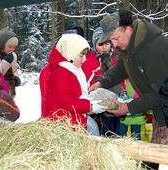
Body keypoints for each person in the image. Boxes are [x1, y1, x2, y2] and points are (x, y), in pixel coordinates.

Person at [89, 9, 168, 144]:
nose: (114, 45)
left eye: (115, 38)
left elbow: (159, 93)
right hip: (161, 111)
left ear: (128, 30)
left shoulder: (153, 49)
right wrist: (101, 83)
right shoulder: (130, 48)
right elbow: (120, 69)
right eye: (110, 40)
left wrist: (128, 108)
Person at [40, 33, 107, 135]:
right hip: (63, 129)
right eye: (81, 55)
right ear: (70, 53)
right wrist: (90, 106)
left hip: (73, 126)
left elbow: (76, 97)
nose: (84, 60)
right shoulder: (61, 74)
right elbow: (67, 103)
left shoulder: (73, 71)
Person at [82, 27, 123, 136]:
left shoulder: (117, 58)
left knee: (114, 137)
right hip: (96, 109)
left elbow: (121, 80)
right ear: (94, 44)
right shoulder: (88, 60)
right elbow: (84, 82)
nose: (105, 47)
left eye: (107, 43)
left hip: (114, 107)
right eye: (100, 44)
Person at [0, 28, 21, 97]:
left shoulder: (13, 55)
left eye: (14, 47)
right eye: (10, 46)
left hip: (9, 91)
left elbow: (14, 70)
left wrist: (16, 77)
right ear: (3, 44)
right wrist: (6, 62)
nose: (12, 49)